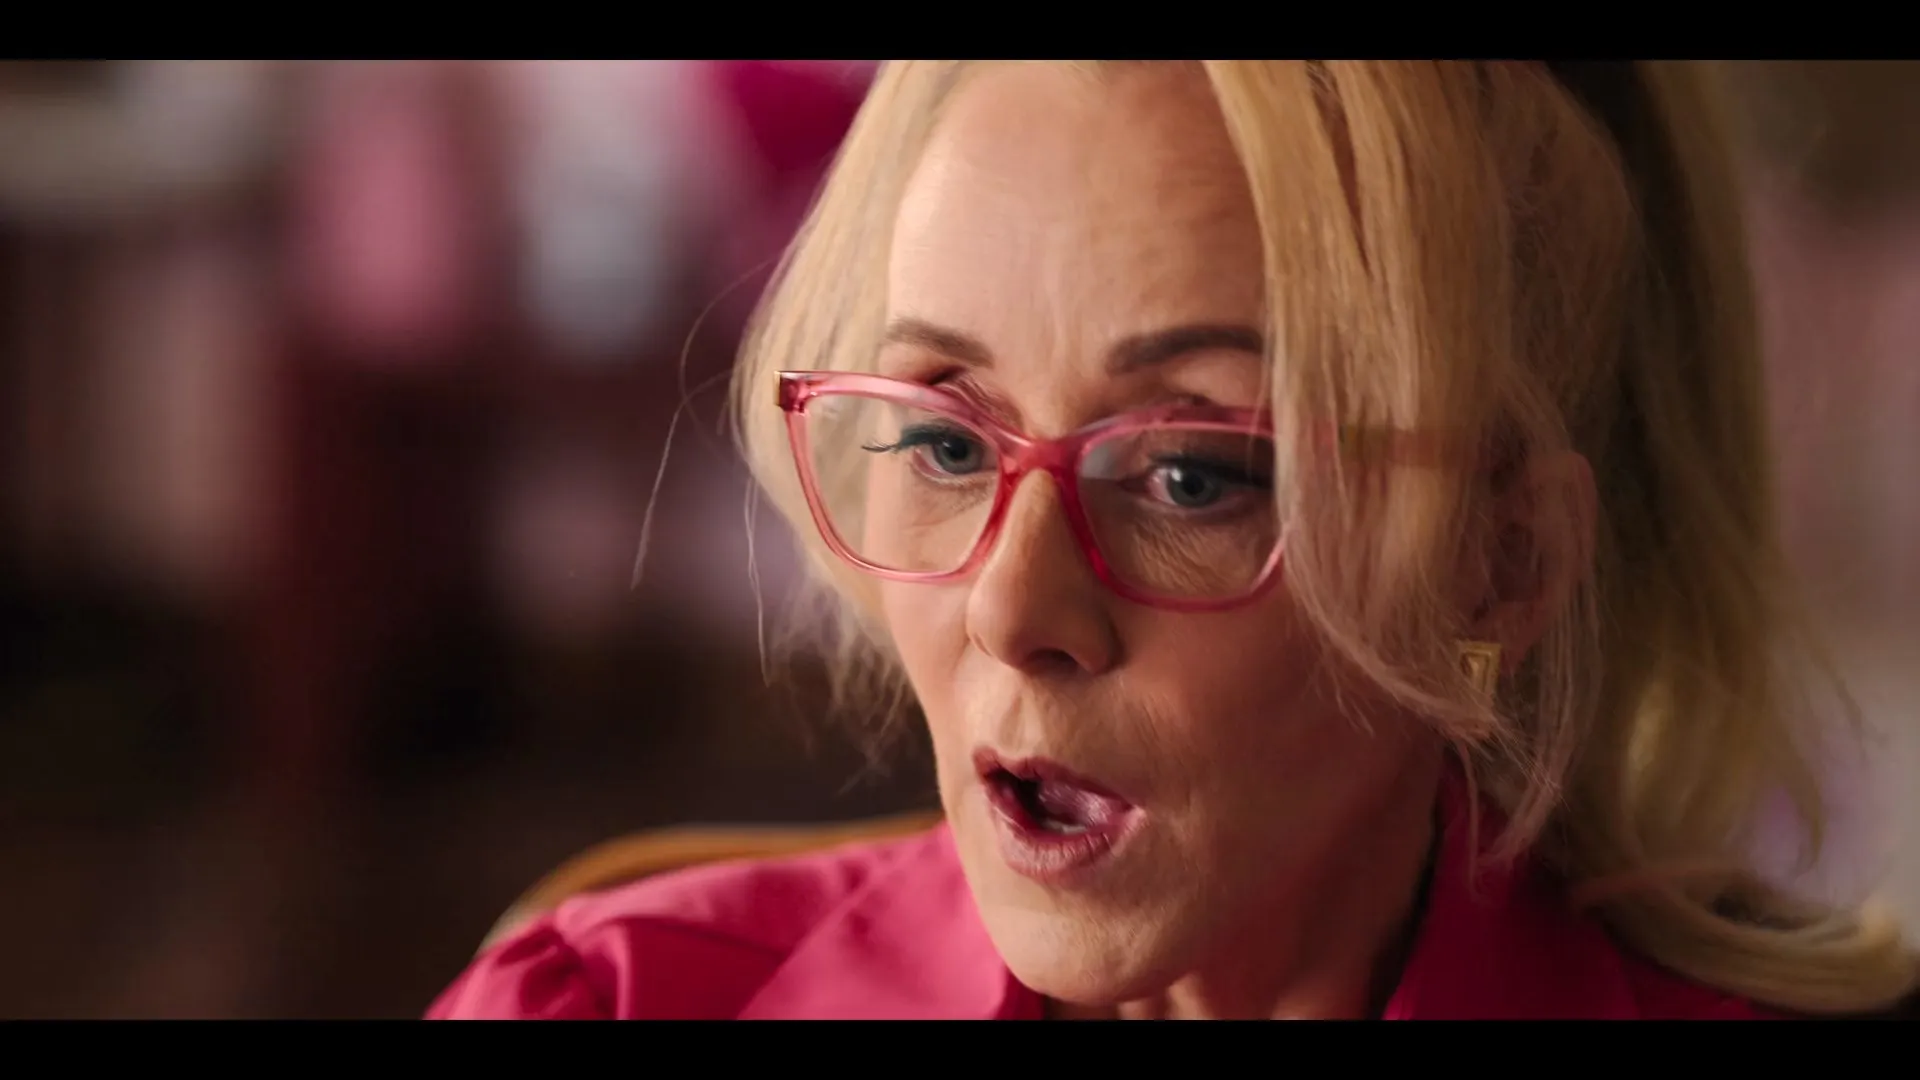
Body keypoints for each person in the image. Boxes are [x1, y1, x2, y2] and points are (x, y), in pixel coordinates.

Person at [428, 60, 1920, 1020]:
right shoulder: (607, 1001)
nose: (1012, 609)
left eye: (1194, 476)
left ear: (1503, 559)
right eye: (945, 443)